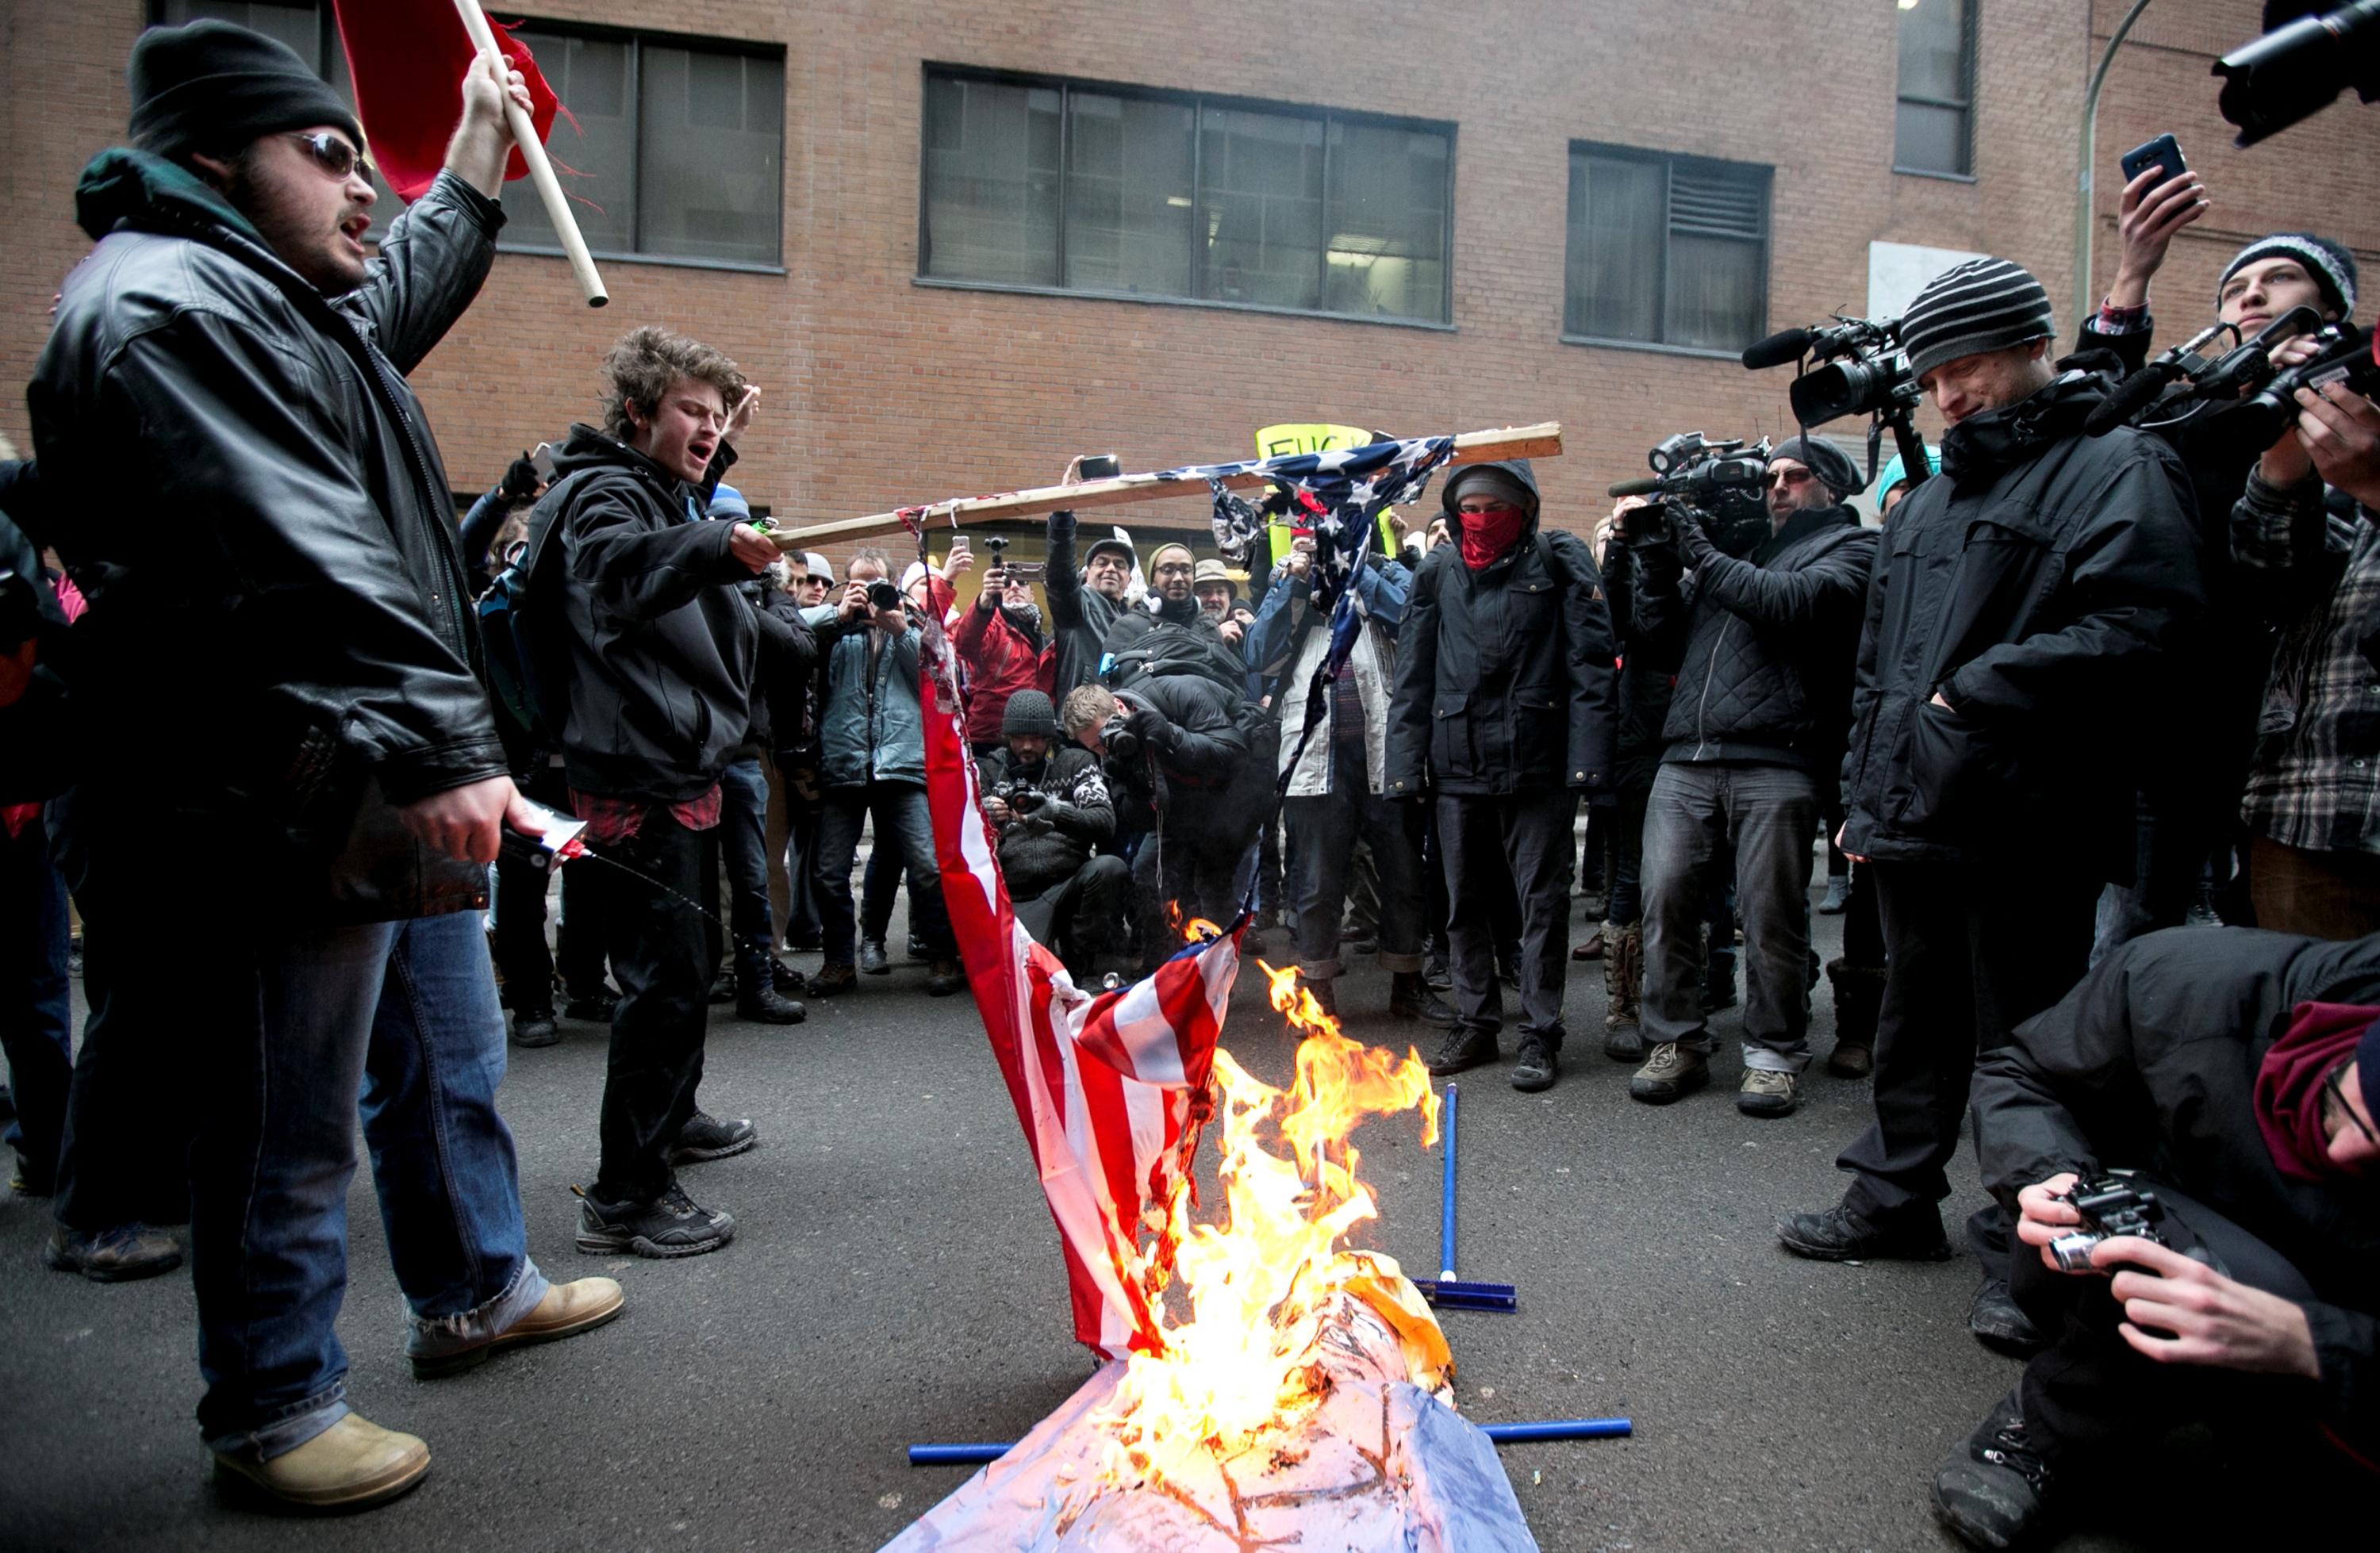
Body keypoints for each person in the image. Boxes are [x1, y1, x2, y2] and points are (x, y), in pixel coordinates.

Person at [30, 22, 621, 1508]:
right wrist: (444, 739)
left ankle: (479, 1282)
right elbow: (302, 548)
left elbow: (401, 282)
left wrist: (479, 149)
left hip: (356, 778)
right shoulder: (165, 310)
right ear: (215, 156)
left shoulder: (284, 300)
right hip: (260, 794)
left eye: (371, 159)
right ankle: (276, 1401)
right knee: (281, 1114)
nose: (366, 187)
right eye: (329, 152)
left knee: (449, 1051)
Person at [1774, 259, 2205, 1363]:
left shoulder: (2116, 464)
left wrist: (1979, 689)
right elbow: (1879, 665)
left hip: (2032, 814)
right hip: (1917, 809)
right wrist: (1863, 799)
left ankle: (2029, 1250)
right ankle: (1891, 1197)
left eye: (1967, 367)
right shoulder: (1930, 500)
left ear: (2030, 348)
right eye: (1933, 376)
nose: (1951, 392)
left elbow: (2147, 626)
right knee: (1914, 1017)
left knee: (2033, 1046)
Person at [1930, 926, 2380, 1548]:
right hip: (2173, 1217)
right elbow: (2021, 1071)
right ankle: (2053, 1425)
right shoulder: (2186, 985)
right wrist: (2044, 1176)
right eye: (2362, 1108)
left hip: (2340, 1321)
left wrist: (2312, 1343)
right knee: (2144, 1239)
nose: (2355, 1146)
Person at [537, 326, 807, 1259]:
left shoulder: (653, 486)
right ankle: (625, 1194)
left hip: (673, 764)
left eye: (715, 413)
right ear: (638, 412)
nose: (705, 427)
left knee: (685, 965)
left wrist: (720, 449)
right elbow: (625, 567)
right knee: (662, 980)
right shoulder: (600, 494)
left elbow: (675, 512)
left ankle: (672, 1115)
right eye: (688, 410)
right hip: (635, 774)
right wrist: (720, 540)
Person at [1623, 436, 1879, 1115]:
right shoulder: (1734, 551)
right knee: (1666, 900)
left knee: (1770, 916)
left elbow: (1786, 603)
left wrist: (1702, 554)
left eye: (1798, 476)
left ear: (1834, 488)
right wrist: (1654, 559)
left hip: (1780, 756)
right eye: (1772, 477)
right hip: (1687, 755)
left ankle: (1772, 1053)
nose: (1780, 487)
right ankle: (1675, 1042)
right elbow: (1656, 641)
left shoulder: (1852, 550)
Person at [1384, 460, 1615, 1091]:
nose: (1481, 519)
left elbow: (1592, 666)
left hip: (1538, 765)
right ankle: (1478, 1021)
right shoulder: (1436, 571)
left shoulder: (1559, 559)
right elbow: (1412, 679)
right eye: (1470, 507)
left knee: (1542, 903)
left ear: (1526, 507)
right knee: (1463, 906)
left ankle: (1540, 1033)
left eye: (1496, 506)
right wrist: (1404, 773)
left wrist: (1587, 765)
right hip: (1457, 766)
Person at [1246, 514, 1453, 1025]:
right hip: (1315, 755)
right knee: (1316, 882)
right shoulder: (1289, 583)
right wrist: (1295, 580)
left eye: (1346, 533)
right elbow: (1258, 655)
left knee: (1403, 876)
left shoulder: (1385, 571)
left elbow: (1411, 618)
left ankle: (1408, 984)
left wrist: (1356, 569)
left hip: (1389, 755)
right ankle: (1317, 994)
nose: (1329, 545)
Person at [2228, 343, 2380, 938]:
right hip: (2309, 806)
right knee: (2309, 1023)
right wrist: (2284, 465)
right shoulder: (2348, 445)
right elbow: (2268, 589)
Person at [801, 551, 965, 998]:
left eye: (877, 585)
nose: (870, 595)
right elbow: (795, 647)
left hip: (902, 764)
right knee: (829, 872)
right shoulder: (834, 629)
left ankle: (941, 955)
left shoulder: (912, 627)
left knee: (929, 866)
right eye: (859, 584)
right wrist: (837, 617)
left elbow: (946, 682)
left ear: (893, 586)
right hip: (844, 764)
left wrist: (905, 632)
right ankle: (838, 962)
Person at [699, 483, 809, 1023]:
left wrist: (747, 597)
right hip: (690, 753)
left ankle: (756, 976)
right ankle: (710, 970)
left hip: (745, 749)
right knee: (697, 872)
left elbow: (798, 651)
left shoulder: (767, 596)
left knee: (753, 870)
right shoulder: (688, 582)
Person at [977, 689, 1130, 976]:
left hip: (1070, 884)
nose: (1026, 746)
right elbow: (964, 845)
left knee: (1109, 867)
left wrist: (1054, 812)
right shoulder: (989, 771)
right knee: (1028, 978)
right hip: (1018, 894)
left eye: (1035, 738)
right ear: (1006, 737)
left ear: (1049, 737)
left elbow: (1105, 820)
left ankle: (1083, 957)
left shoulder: (1076, 762)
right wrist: (984, 820)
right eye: (1018, 738)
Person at [954, 548, 1053, 757]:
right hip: (988, 741)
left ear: (1032, 594)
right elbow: (964, 644)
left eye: (1022, 583)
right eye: (1007, 583)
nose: (1015, 586)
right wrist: (985, 600)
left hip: (1034, 741)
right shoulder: (990, 626)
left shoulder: (1047, 641)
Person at [1046, 478, 1138, 692]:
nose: (1111, 569)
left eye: (1120, 565)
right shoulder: (1077, 605)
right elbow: (1060, 577)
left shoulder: (1137, 621)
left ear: (1129, 579)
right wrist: (1062, 515)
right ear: (1087, 575)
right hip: (1078, 722)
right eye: (1102, 563)